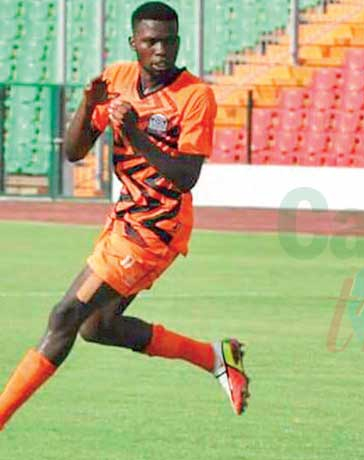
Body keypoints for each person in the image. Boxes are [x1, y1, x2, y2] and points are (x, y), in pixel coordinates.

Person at [0, 1, 249, 431]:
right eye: (151, 41)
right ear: (133, 42)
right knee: (97, 327)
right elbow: (75, 152)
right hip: (122, 222)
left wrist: (134, 132)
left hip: (155, 229)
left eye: (169, 41)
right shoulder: (117, 79)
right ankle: (215, 357)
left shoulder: (195, 96)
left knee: (64, 316)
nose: (161, 50)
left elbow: (186, 177)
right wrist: (87, 105)